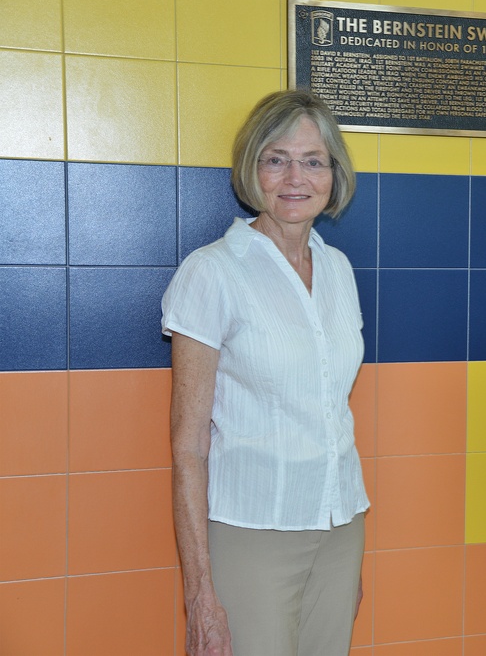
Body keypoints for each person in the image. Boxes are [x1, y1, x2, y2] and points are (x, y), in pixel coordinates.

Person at [162, 89, 367, 656]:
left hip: (340, 524)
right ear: (253, 169)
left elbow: (331, 407)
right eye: (276, 159)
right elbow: (187, 446)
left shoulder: (337, 268)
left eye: (312, 160)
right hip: (252, 532)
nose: (294, 177)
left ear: (333, 173)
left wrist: (343, 554)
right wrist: (200, 592)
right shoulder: (212, 272)